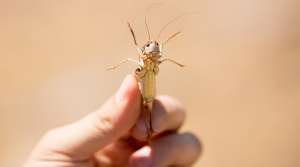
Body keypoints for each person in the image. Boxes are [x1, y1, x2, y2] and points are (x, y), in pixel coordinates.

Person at [23, 75, 201, 167]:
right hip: (143, 86)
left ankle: (148, 134)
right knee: (148, 123)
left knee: (151, 119)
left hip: (149, 94)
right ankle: (148, 133)